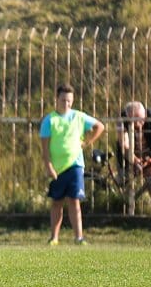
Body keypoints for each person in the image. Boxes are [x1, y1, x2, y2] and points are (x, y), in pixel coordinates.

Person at [39, 84, 106, 245]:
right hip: (58, 168)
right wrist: (49, 166)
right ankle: (54, 237)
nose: (66, 104)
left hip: (75, 165)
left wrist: (87, 142)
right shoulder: (49, 120)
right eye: (63, 100)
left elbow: (99, 126)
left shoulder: (79, 117)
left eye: (69, 101)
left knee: (74, 201)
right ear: (57, 99)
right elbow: (45, 148)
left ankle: (79, 237)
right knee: (57, 202)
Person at [116, 101, 151, 206]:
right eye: (134, 121)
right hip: (128, 155)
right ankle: (125, 208)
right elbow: (124, 145)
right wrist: (135, 160)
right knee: (125, 184)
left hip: (150, 152)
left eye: (141, 120)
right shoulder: (122, 120)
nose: (139, 124)